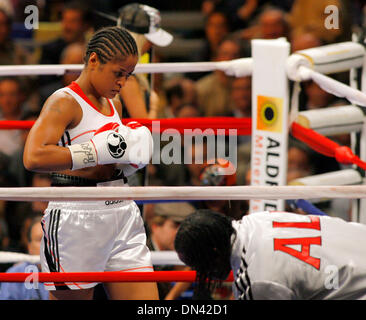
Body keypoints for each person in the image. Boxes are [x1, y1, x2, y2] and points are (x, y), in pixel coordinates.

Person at [23, 26, 158, 300]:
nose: (122, 82)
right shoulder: (64, 101)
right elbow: (34, 156)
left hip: (122, 211)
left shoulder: (114, 105)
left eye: (128, 75)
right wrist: (93, 152)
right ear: (94, 60)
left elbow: (109, 155)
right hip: (77, 215)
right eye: (118, 73)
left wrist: (128, 162)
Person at [175, 209, 366, 300]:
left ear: (214, 254)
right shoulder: (258, 219)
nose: (205, 273)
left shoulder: (257, 280)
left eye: (201, 265)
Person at [117, 3, 173, 119]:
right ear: (139, 40)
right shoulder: (127, 80)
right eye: (149, 40)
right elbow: (145, 129)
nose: (151, 44)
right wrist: (154, 106)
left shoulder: (121, 71)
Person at [0, 215, 49, 300]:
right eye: (39, 239)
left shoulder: (67, 272)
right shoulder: (14, 274)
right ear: (29, 246)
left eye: (49, 239)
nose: (45, 244)